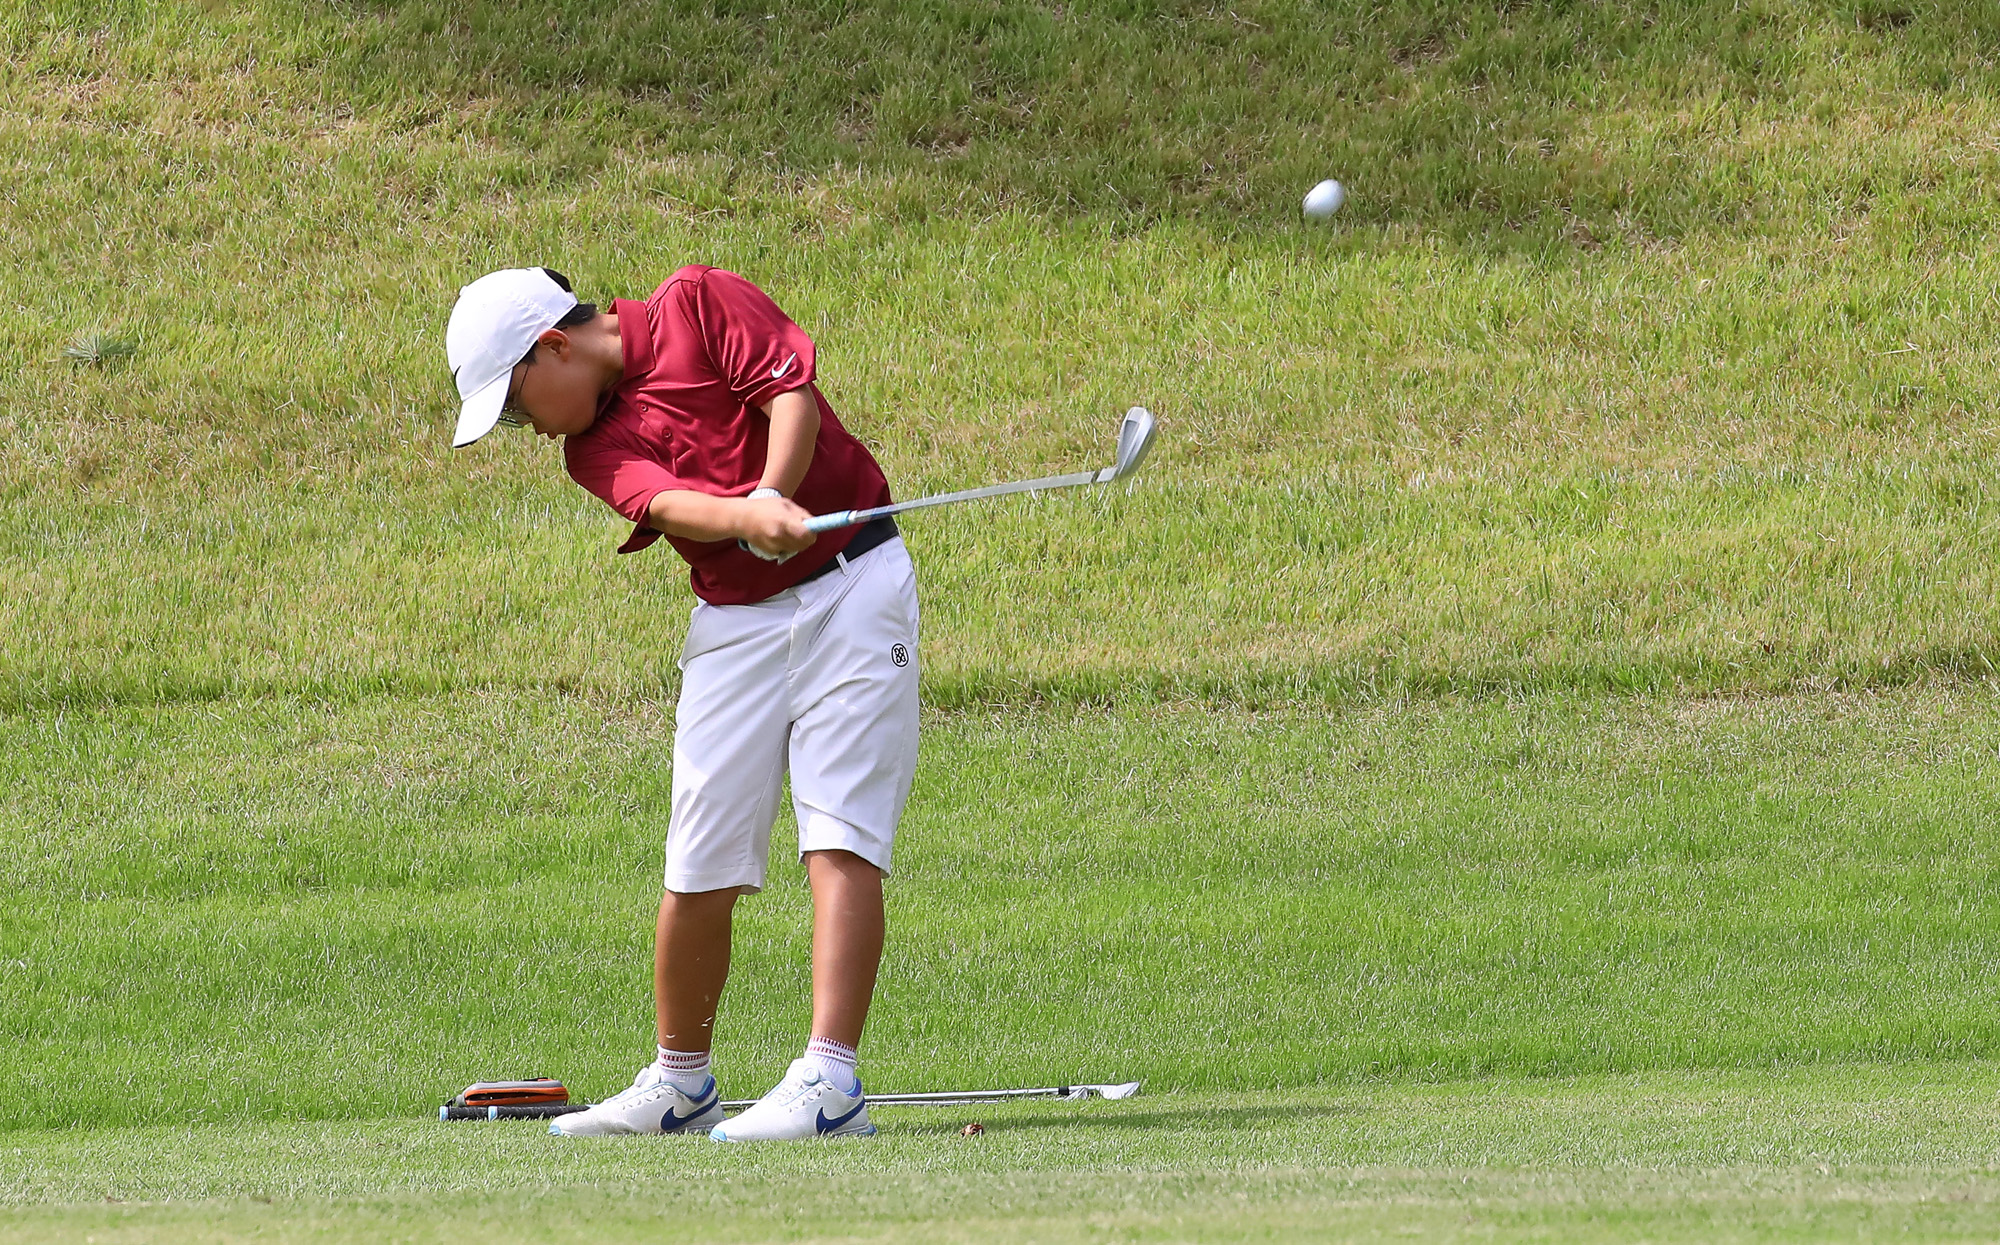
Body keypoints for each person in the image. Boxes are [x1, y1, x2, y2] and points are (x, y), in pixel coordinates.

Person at [444, 265, 919, 1141]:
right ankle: (681, 1082)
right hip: (735, 621)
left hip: (856, 587)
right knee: (698, 855)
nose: (525, 427)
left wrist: (772, 490)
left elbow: (791, 398)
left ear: (552, 347)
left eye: (515, 406)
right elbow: (666, 501)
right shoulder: (587, 447)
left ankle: (830, 1080)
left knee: (839, 832)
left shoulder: (699, 300)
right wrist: (746, 517)